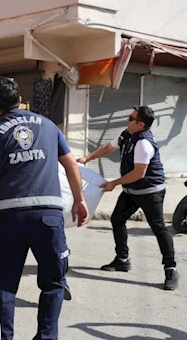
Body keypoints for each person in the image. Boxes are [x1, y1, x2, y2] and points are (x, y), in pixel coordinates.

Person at [0, 77, 89, 340]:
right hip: (47, 217)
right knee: (53, 282)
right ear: (20, 100)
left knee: (4, 286)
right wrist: (79, 200)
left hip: (8, 219)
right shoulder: (48, 126)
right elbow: (71, 165)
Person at [77, 106, 179, 291]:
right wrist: (87, 158)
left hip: (150, 191)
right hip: (132, 190)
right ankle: (122, 259)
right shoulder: (126, 134)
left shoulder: (143, 143)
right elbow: (108, 148)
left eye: (131, 118)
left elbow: (139, 173)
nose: (127, 120)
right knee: (117, 219)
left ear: (141, 125)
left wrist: (113, 183)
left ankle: (170, 269)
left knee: (158, 228)